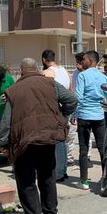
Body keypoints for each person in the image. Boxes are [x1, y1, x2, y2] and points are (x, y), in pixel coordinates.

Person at [0, 58, 77, 214]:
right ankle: (50, 213)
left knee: (26, 178)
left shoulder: (13, 90)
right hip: (48, 137)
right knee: (47, 174)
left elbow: (6, 120)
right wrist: (60, 116)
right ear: (37, 69)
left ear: (21, 71)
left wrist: (2, 143)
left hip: (23, 139)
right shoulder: (50, 84)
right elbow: (72, 100)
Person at [73, 50, 107, 190]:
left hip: (84, 116)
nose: (81, 62)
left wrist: (73, 115)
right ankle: (105, 177)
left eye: (83, 59)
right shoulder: (104, 77)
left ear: (90, 61)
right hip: (99, 116)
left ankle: (84, 181)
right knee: (102, 148)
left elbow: (78, 98)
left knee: (83, 149)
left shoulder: (82, 76)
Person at [41, 49, 72, 182]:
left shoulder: (47, 73)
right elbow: (70, 91)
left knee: (56, 142)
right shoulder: (64, 71)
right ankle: (63, 170)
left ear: (43, 60)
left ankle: (58, 172)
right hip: (64, 109)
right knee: (62, 140)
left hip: (54, 110)